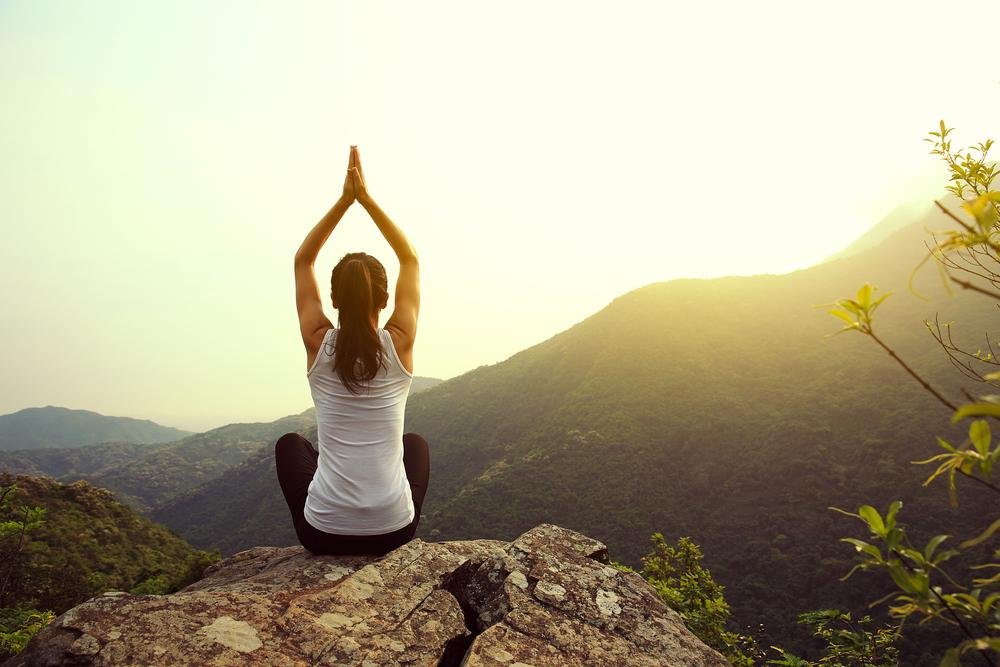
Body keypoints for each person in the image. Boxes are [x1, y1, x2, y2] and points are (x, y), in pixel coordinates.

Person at [274, 145, 429, 556]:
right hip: (393, 532)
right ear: (385, 300)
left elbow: (303, 260)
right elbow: (409, 259)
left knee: (291, 444)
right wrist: (367, 200)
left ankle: (336, 510)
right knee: (415, 445)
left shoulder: (317, 341)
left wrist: (345, 201)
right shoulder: (400, 342)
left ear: (334, 300)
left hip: (323, 534)